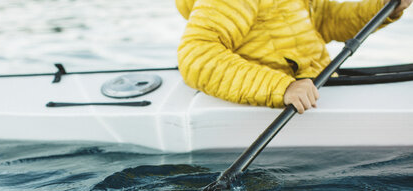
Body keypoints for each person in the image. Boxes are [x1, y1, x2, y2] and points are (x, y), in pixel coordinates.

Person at [176, 0, 411, 114]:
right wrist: (282, 87)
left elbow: (326, 20)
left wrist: (386, 6)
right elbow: (196, 54)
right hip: (285, 98)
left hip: (317, 85)